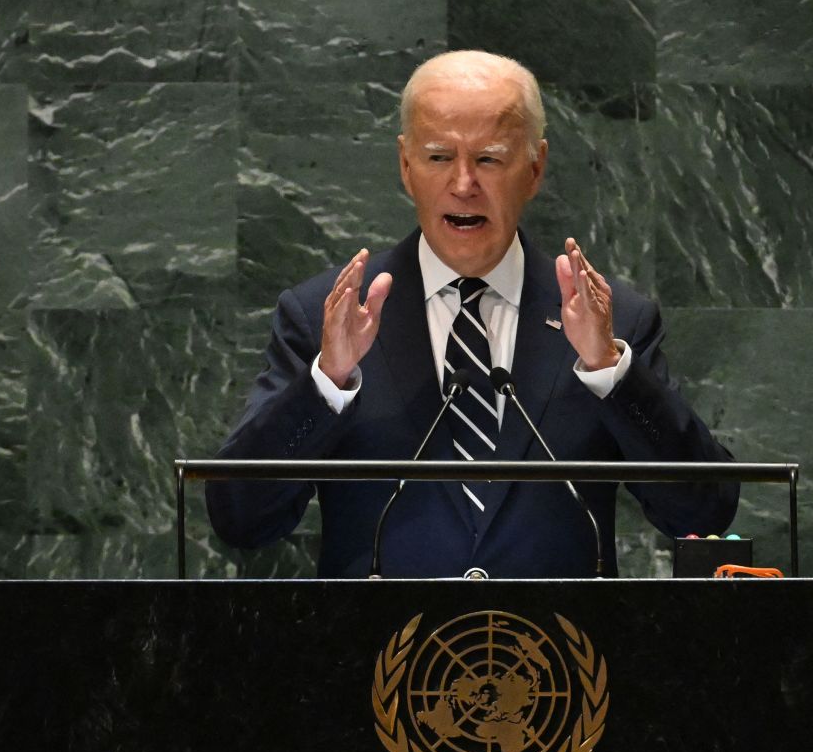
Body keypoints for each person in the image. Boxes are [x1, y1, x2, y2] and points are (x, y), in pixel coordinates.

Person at [206, 50, 737, 578]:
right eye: (439, 157)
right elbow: (242, 520)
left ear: (535, 168)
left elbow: (702, 512)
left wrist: (609, 371)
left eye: (488, 158)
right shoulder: (326, 316)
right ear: (405, 165)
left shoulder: (613, 320)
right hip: (378, 654)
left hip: (556, 655)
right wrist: (327, 381)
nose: (464, 183)